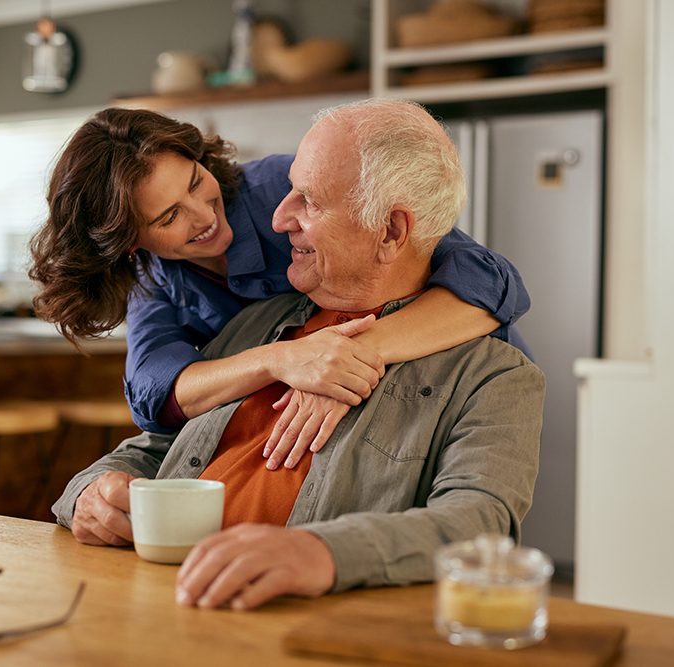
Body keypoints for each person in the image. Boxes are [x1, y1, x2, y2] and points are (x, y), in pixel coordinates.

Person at [52, 99, 544, 611]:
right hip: (158, 599)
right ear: (133, 243)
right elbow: (157, 434)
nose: (279, 217)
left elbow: (478, 523)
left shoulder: (492, 376)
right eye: (170, 215)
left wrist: (317, 552)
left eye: (307, 200)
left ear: (391, 231)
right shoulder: (256, 327)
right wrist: (88, 493)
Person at [29, 107, 531, 469]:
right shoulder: (153, 280)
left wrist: (349, 354)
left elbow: (488, 280)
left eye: (194, 181)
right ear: (129, 243)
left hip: (445, 382)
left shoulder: (280, 189)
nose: (205, 215)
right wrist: (281, 360)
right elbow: (155, 395)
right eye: (169, 216)